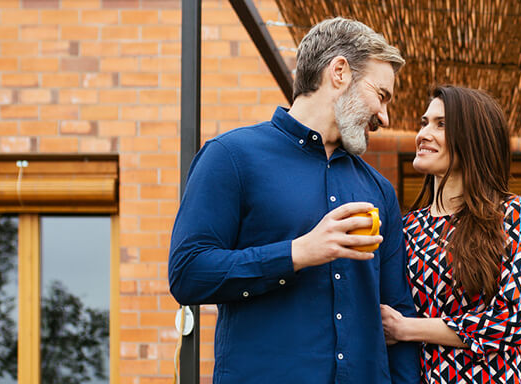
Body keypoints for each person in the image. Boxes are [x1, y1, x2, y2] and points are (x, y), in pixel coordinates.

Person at [168, 17, 420, 384]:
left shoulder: (380, 190)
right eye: (380, 95)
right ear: (339, 72)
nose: (384, 115)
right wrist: (298, 253)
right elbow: (188, 273)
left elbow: (398, 317)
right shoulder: (231, 157)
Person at [380, 86, 521, 383]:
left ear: (473, 138)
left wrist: (406, 328)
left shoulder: (513, 214)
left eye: (441, 124)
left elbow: (510, 323)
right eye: (424, 122)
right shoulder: (405, 228)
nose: (423, 133)